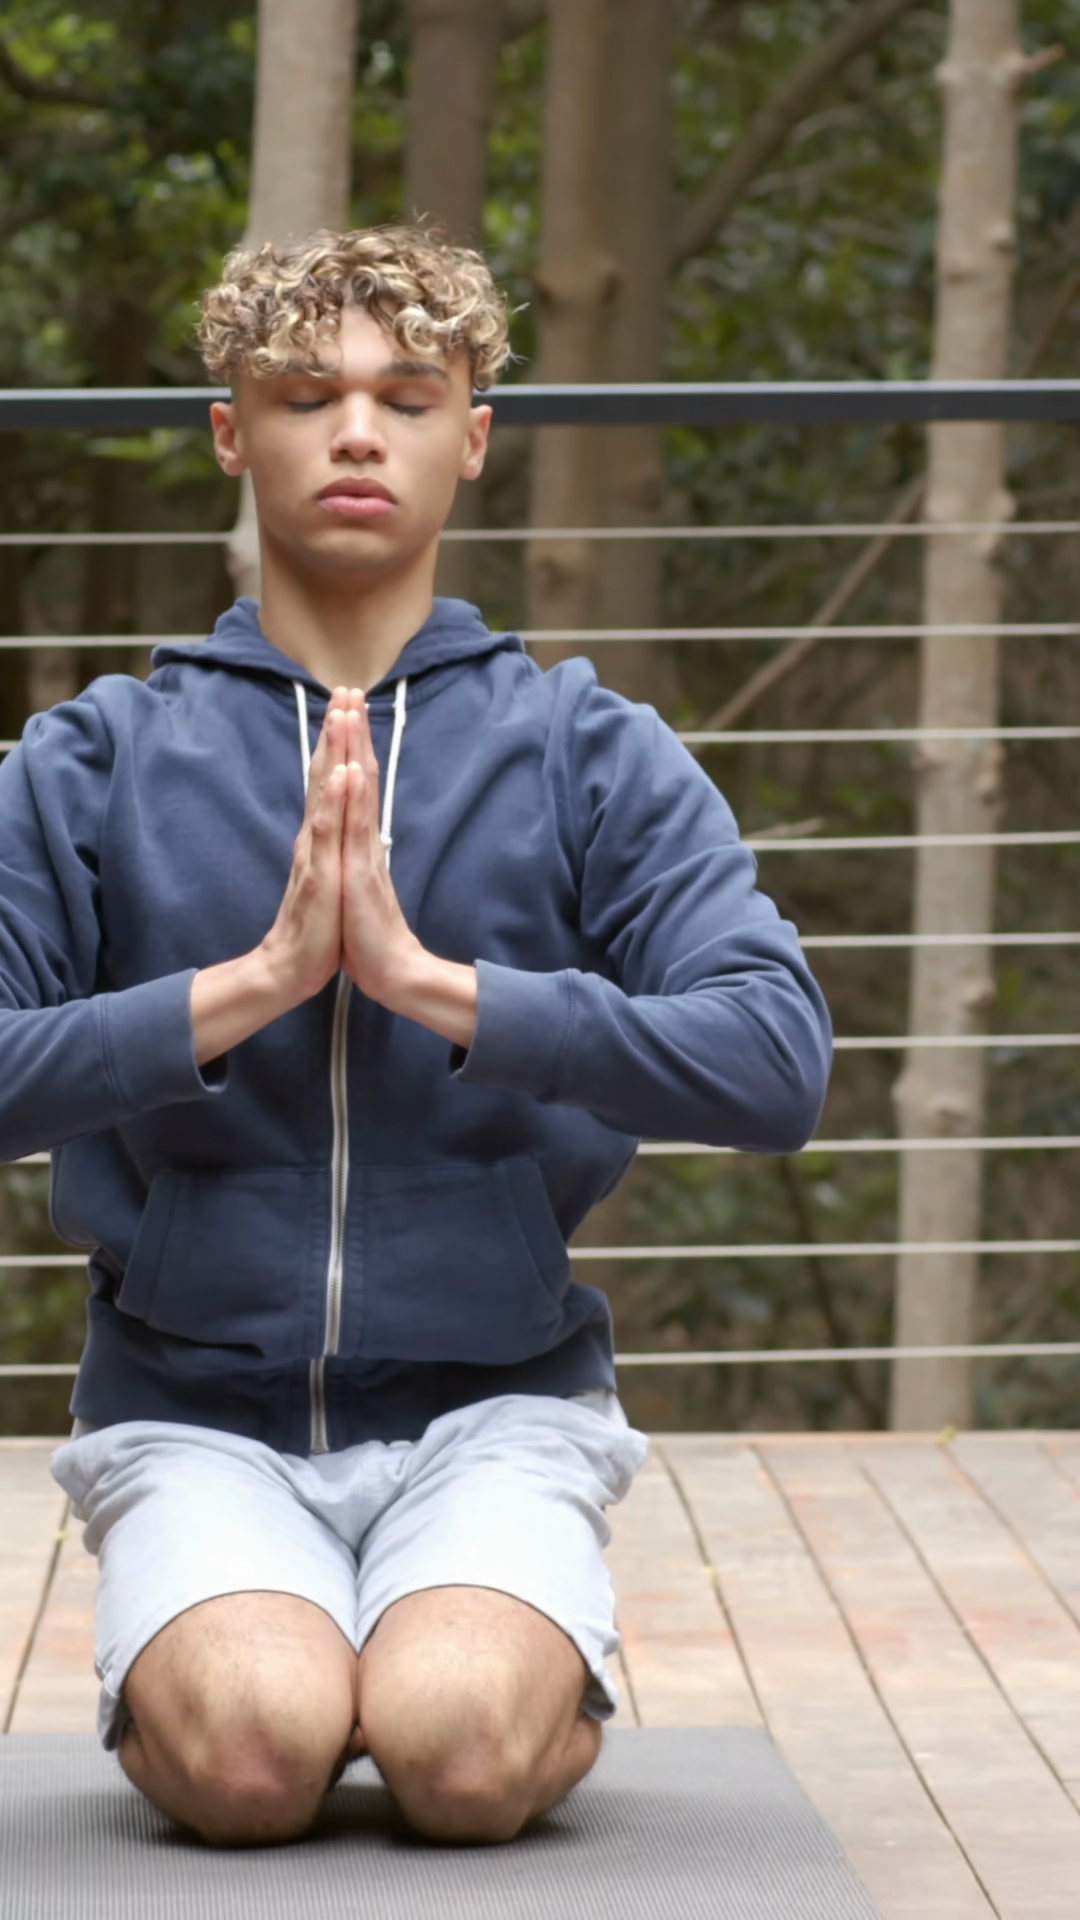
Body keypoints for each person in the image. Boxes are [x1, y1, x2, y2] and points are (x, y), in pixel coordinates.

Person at [0, 225, 831, 1848]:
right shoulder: (92, 761)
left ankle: (453, 1666)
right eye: (307, 395)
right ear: (233, 433)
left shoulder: (587, 748)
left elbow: (775, 1060)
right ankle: (279, 1667)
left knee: (458, 1757)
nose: (358, 433)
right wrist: (246, 988)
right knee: (254, 1761)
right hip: (191, 1411)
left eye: (408, 395)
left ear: (474, 437)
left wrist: (438, 988)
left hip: (498, 1406)